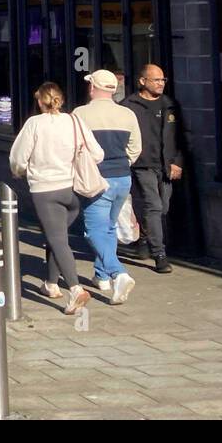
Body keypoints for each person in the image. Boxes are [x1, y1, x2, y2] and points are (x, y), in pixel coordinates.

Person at [8, 81, 103, 316]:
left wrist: (20, 171)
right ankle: (51, 283)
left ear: (40, 101)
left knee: (58, 240)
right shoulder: (74, 120)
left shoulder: (34, 124)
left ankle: (75, 288)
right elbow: (98, 154)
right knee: (55, 236)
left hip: (45, 190)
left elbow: (18, 158)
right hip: (72, 189)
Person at [73, 70, 142, 304]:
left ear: (93, 87)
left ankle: (117, 273)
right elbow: (136, 148)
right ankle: (101, 276)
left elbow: (74, 147)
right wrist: (124, 163)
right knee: (109, 227)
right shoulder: (127, 114)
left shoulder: (80, 114)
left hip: (96, 179)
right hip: (123, 177)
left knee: (94, 230)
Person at [121, 64, 187, 274]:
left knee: (163, 207)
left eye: (162, 80)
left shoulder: (169, 105)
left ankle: (144, 237)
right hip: (142, 164)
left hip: (165, 165)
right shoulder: (129, 105)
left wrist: (177, 161)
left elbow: (180, 137)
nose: (160, 84)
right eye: (156, 80)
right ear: (142, 81)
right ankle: (159, 255)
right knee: (153, 206)